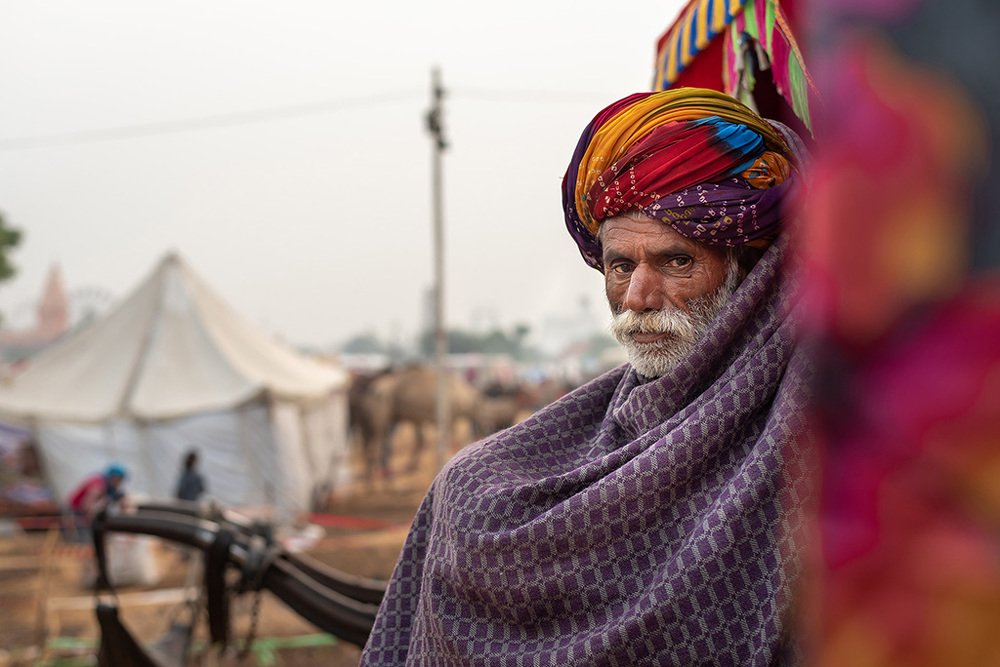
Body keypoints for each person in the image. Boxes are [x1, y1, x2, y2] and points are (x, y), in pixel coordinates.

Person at [360, 88, 811, 666]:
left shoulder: (812, 416)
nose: (638, 299)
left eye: (677, 261)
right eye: (621, 266)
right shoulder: (607, 411)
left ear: (750, 272)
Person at [66, 463, 127, 540]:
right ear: (112, 477)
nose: (119, 483)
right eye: (118, 480)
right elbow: (86, 506)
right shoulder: (98, 485)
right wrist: (105, 502)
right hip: (75, 512)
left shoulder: (108, 487)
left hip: (82, 515)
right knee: (84, 540)